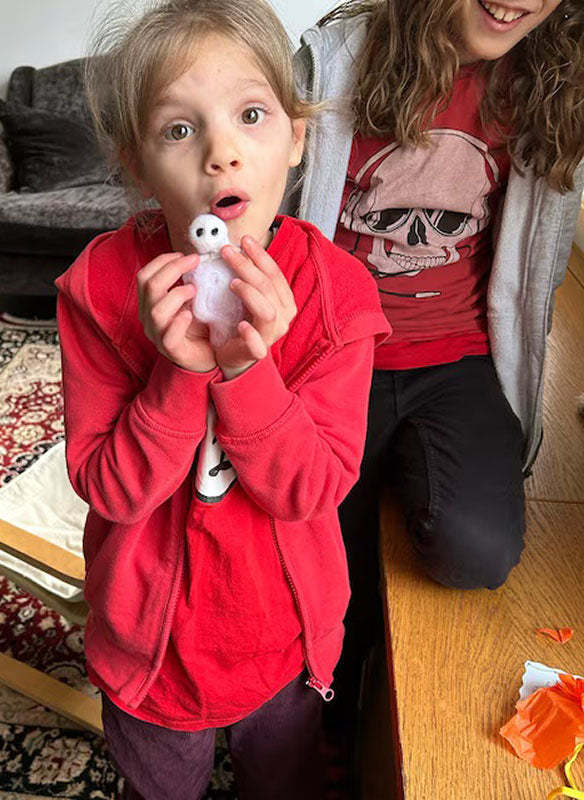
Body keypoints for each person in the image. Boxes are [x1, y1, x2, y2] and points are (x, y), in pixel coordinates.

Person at [54, 1, 390, 797]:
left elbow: (311, 489)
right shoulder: (100, 287)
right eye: (179, 129)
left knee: (285, 781)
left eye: (251, 115)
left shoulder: (339, 296)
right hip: (150, 652)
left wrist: (247, 374)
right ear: (137, 164)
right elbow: (110, 489)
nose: (222, 153)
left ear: (297, 138)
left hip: (281, 640)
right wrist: (178, 372)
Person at [295, 0, 584, 783]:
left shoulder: (553, 82)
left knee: (477, 553)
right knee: (315, 570)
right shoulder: (331, 63)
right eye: (402, 221)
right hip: (336, 357)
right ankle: (323, 718)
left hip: (459, 356)